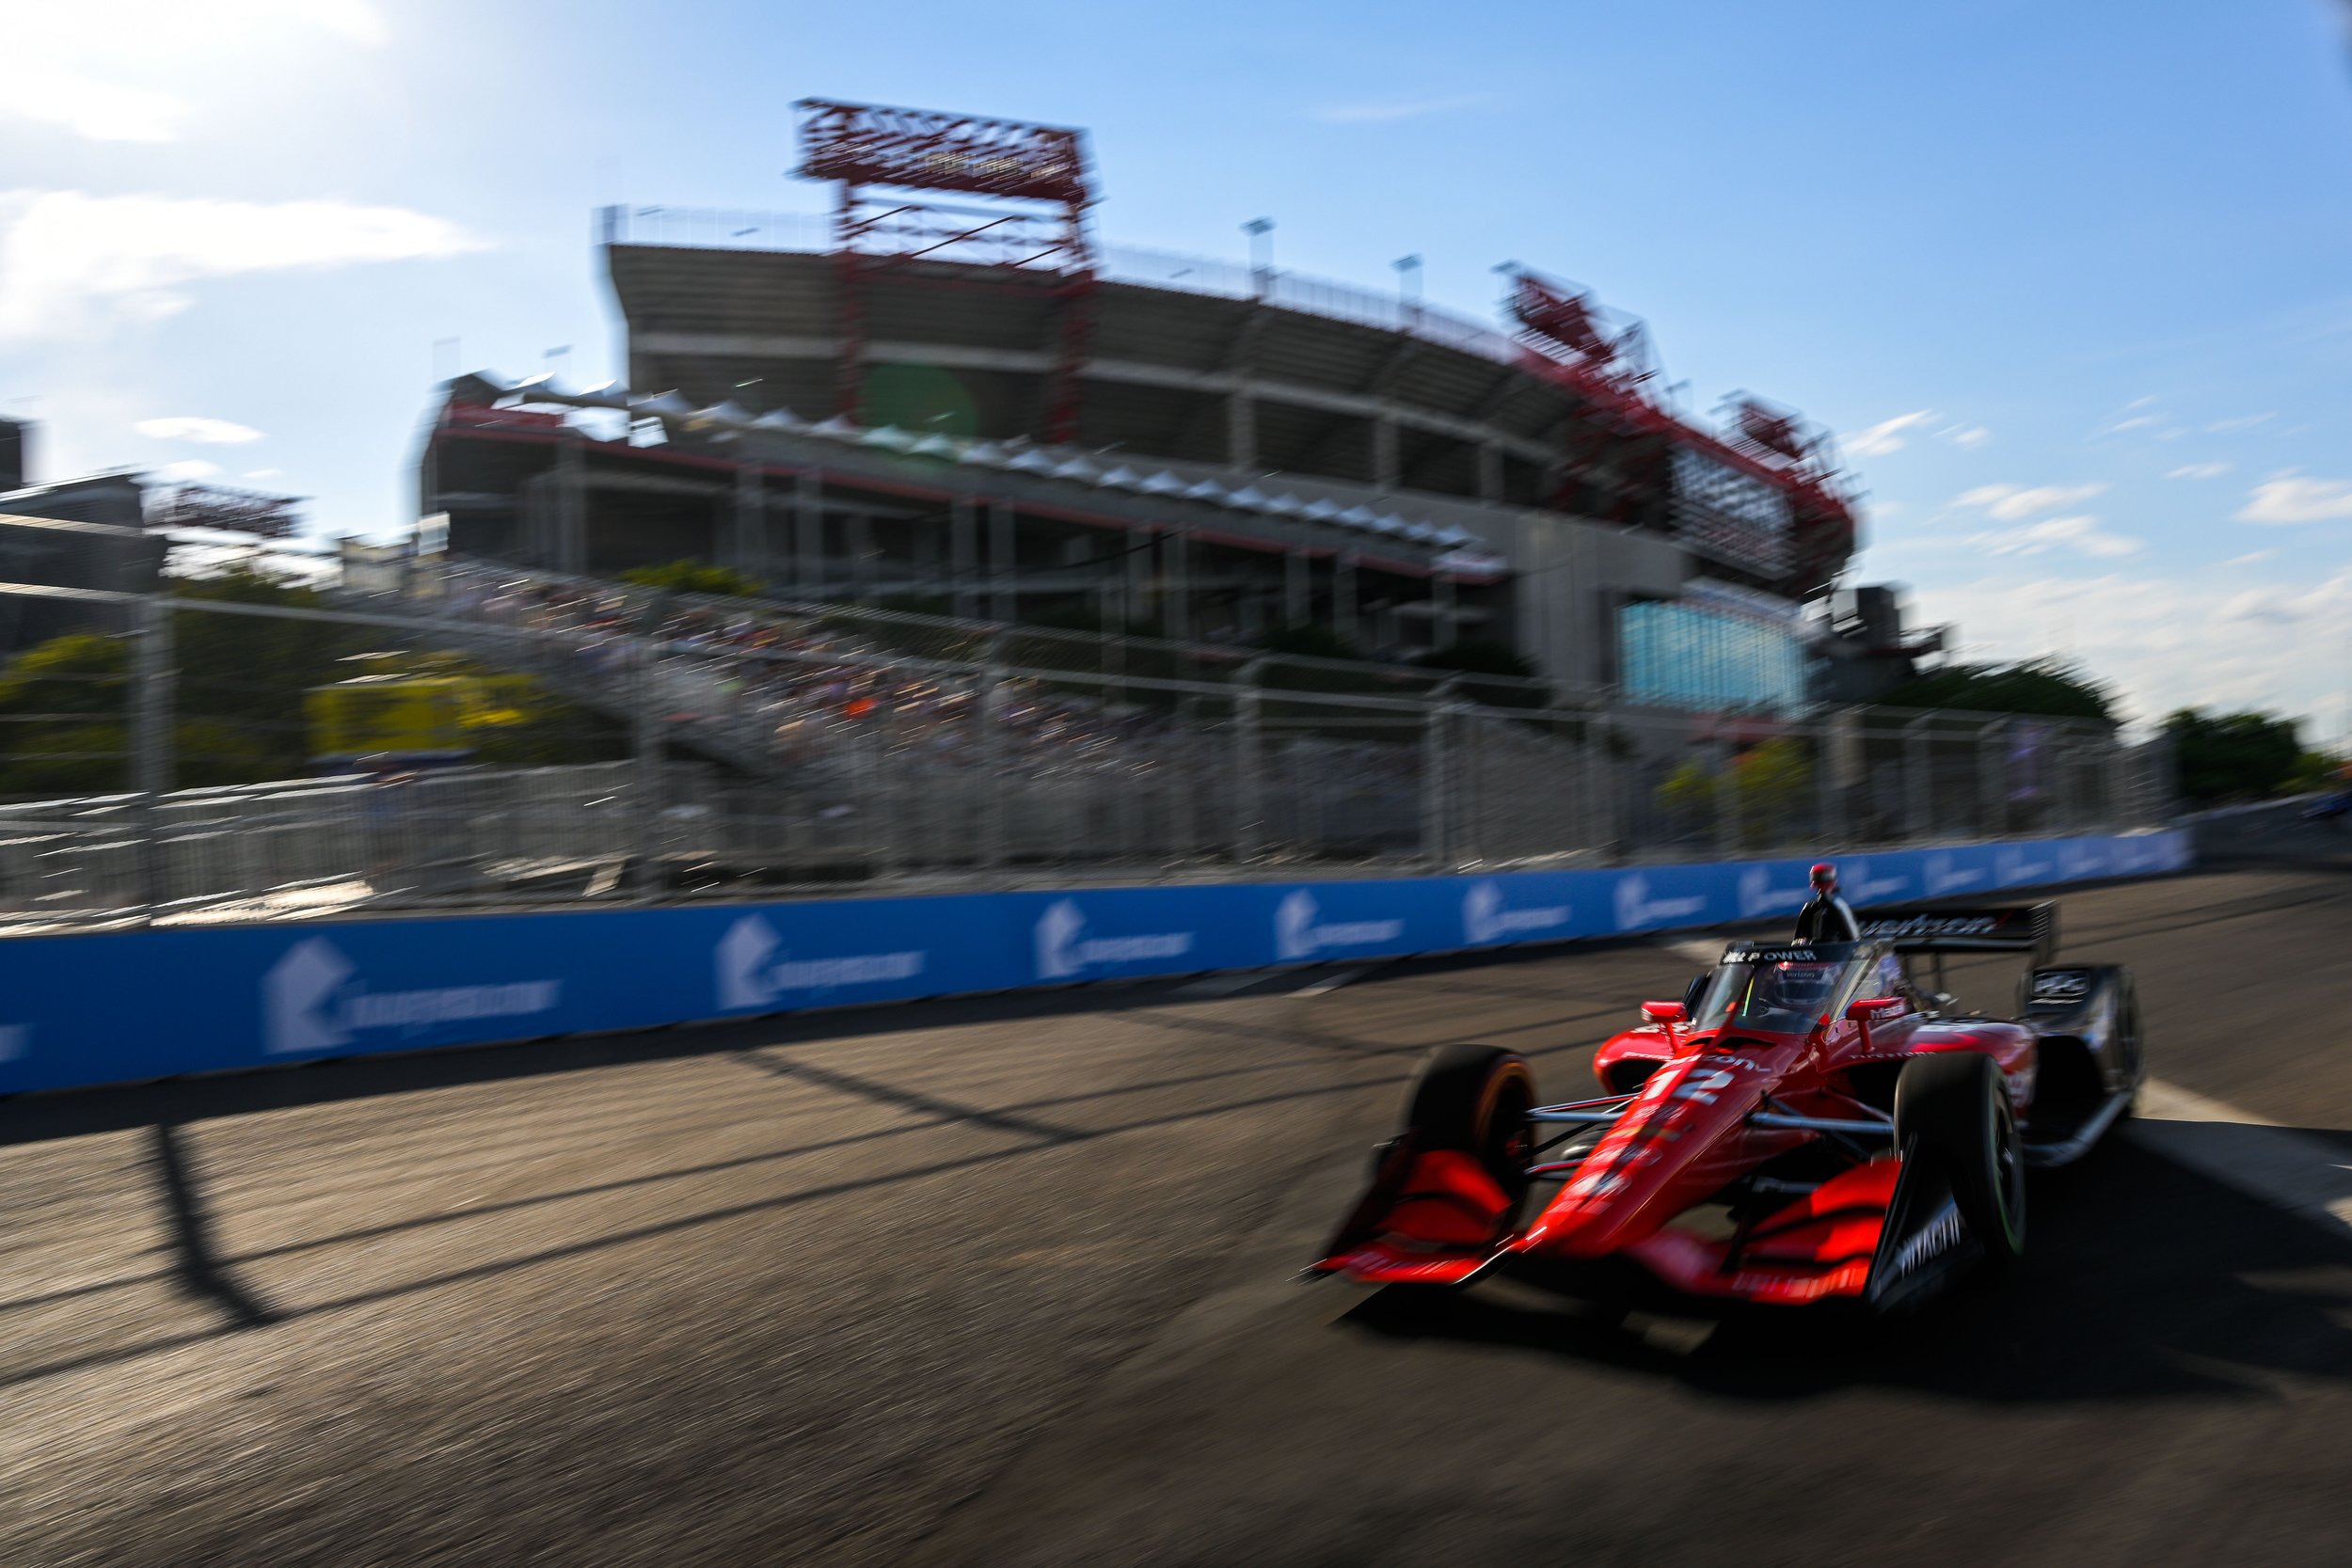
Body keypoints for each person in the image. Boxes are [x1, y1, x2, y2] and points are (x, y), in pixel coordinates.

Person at [1793, 862, 1859, 942]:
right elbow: (1798, 940)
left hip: (1833, 950)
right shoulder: (1810, 908)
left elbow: (1852, 939)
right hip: (1823, 950)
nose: (1821, 890)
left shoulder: (1837, 907)